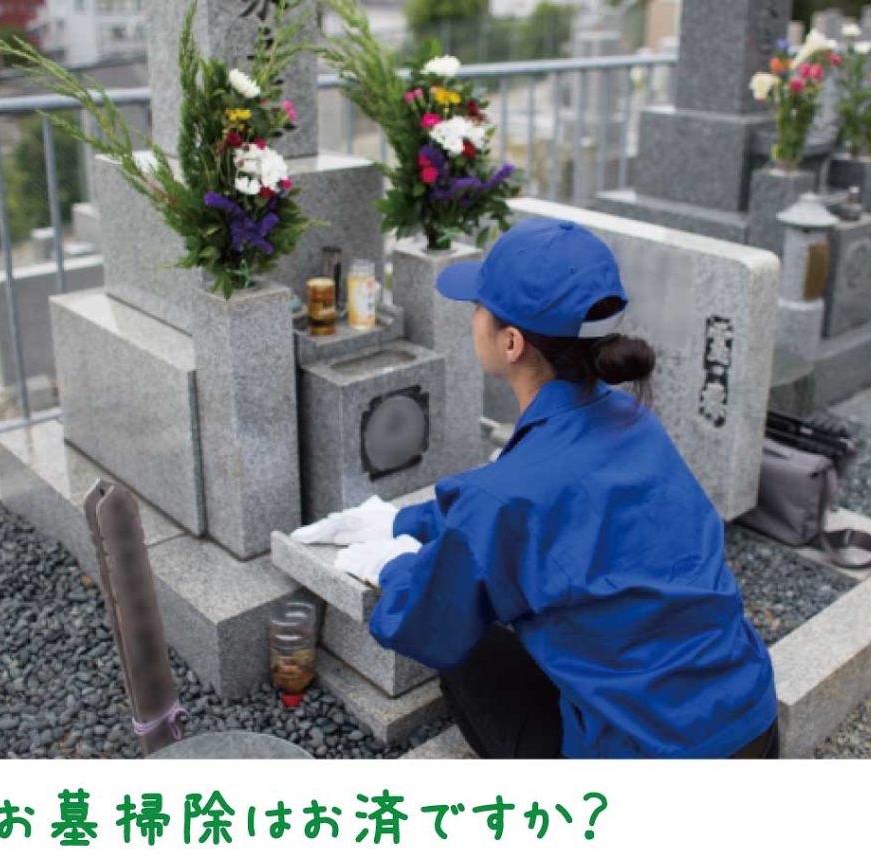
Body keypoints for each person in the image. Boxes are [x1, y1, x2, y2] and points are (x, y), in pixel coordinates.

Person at [291, 216, 779, 760]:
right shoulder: (634, 421)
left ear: (511, 341)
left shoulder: (504, 496)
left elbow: (427, 623)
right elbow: (525, 507)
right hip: (752, 725)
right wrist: (404, 520)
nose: (473, 318)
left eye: (479, 307)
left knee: (471, 654)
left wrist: (394, 567)